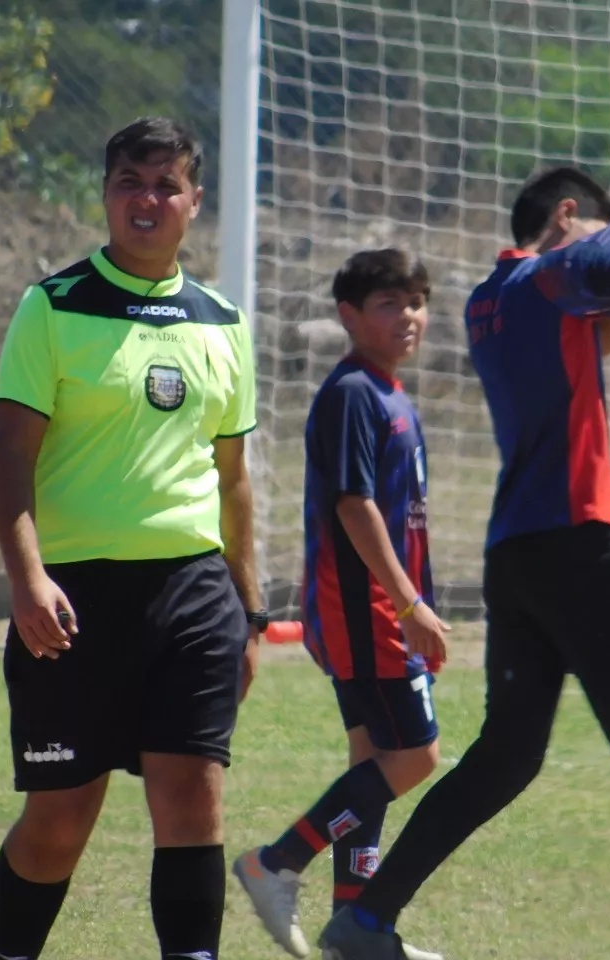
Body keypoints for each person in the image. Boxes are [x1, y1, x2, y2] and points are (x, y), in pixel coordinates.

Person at [316, 167, 610, 960]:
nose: (606, 243)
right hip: (581, 542)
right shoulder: (558, 271)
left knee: (508, 755)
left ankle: (366, 918)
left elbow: (602, 331)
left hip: (516, 555)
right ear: (566, 217)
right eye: (598, 228)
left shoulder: (495, 299)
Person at [0, 116, 268, 960]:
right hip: (71, 599)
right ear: (106, 195)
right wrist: (28, 580)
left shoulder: (222, 322)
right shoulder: (54, 306)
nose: (147, 200)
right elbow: (8, 459)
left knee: (193, 801)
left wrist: (248, 611)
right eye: (130, 184)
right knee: (61, 816)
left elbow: (234, 479)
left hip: (193, 595)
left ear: (194, 200)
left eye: (165, 185)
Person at [233, 249, 449, 960]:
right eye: (389, 303)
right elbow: (353, 507)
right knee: (415, 758)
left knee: (373, 766)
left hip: (376, 613)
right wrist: (409, 602)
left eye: (416, 301)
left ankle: (355, 931)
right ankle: (276, 863)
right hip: (368, 616)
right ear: (348, 315)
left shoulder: (388, 391)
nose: (408, 316)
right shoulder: (355, 392)